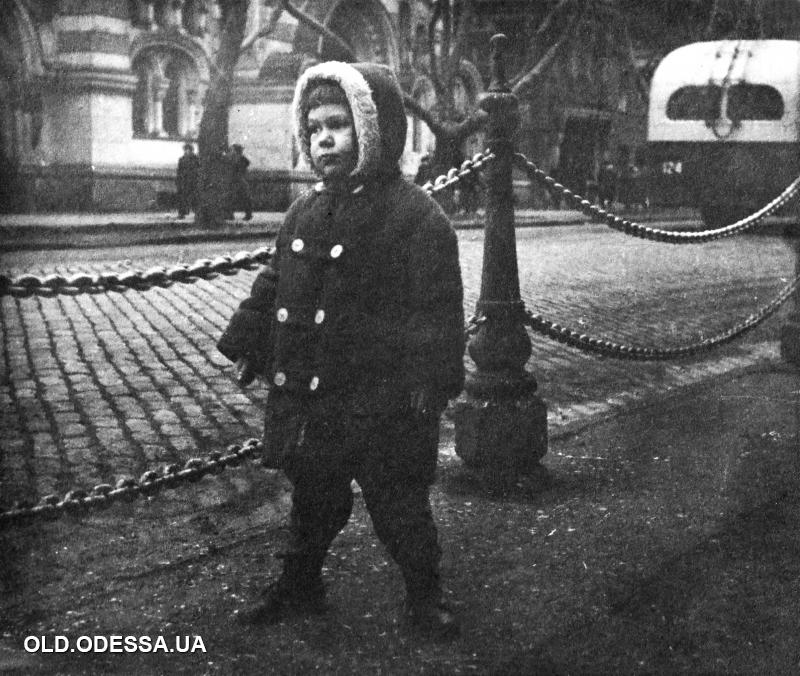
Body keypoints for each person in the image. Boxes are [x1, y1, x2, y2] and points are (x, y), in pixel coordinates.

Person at [217, 61, 465, 639]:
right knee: (313, 498)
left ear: (374, 130)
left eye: (338, 125)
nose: (324, 139)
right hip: (316, 392)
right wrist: (252, 340)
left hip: (385, 401)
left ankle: (424, 595)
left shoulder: (415, 216)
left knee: (398, 506)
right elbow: (277, 282)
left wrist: (430, 381)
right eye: (314, 128)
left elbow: (437, 308)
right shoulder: (304, 210)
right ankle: (300, 585)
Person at [227, 143, 253, 220]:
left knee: (237, 198)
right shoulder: (238, 158)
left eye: (232, 150)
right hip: (237, 180)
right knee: (234, 198)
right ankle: (231, 214)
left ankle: (247, 214)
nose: (231, 151)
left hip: (237, 180)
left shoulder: (237, 158)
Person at [176, 143, 199, 219]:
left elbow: (198, 170)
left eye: (189, 149)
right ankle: (182, 213)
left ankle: (197, 213)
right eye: (186, 149)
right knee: (183, 198)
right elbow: (179, 171)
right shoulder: (182, 159)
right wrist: (179, 181)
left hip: (193, 181)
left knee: (195, 198)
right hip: (184, 182)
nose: (187, 151)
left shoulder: (196, 159)